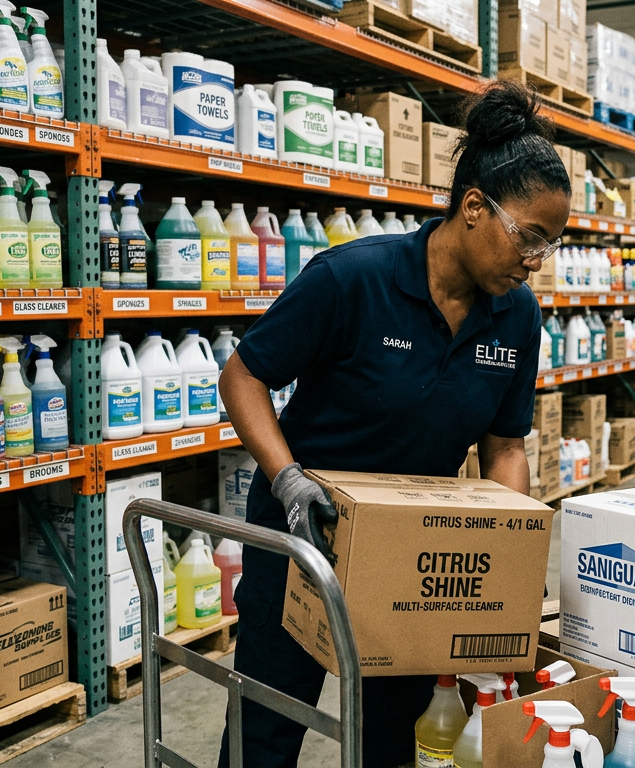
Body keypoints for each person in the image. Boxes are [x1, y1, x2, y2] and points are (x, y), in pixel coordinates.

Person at [214, 81, 570, 768]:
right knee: (266, 730)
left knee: (399, 739)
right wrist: (287, 480)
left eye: (550, 246)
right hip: (301, 542)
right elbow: (243, 376)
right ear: (473, 208)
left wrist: (512, 539)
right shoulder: (353, 279)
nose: (534, 262)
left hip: (413, 558)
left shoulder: (517, 316)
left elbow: (504, 444)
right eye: (529, 238)